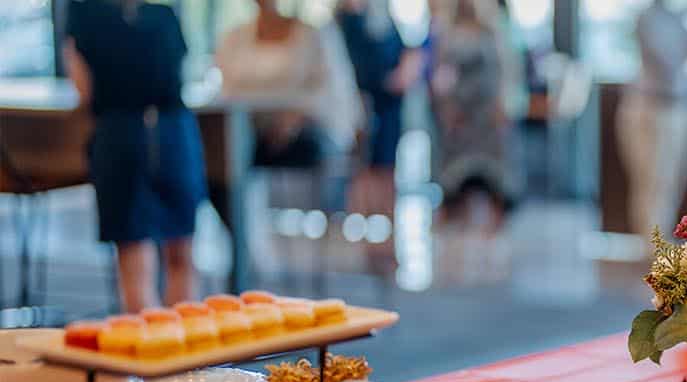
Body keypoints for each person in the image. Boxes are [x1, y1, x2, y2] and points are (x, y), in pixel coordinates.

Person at [64, 0, 206, 312]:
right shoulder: (165, 15)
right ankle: (186, 352)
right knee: (181, 255)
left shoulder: (83, 14)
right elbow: (182, 72)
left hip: (120, 134)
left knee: (135, 263)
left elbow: (83, 90)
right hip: (173, 131)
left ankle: (151, 353)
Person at [214, 0, 361, 203]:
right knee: (220, 157)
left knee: (245, 155)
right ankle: (240, 228)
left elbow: (331, 90)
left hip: (308, 127)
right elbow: (227, 91)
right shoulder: (234, 38)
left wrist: (294, 118)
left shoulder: (315, 35)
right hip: (250, 128)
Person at [430, 0, 523, 223]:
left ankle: (494, 238)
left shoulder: (494, 29)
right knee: (456, 183)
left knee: (494, 182)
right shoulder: (446, 31)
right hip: (460, 118)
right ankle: (454, 241)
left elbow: (507, 69)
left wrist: (504, 103)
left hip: (488, 116)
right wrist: (447, 107)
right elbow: (440, 72)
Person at [618, 0, 687, 236]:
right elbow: (666, 60)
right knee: (653, 181)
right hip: (653, 107)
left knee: (671, 181)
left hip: (677, 107)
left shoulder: (676, 18)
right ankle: (653, 242)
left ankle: (658, 239)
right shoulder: (647, 18)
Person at [339, 0, 424, 216]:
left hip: (390, 105)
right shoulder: (348, 21)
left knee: (387, 163)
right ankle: (367, 215)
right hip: (364, 102)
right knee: (364, 166)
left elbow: (405, 50)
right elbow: (353, 65)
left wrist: (404, 71)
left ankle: (386, 216)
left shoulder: (382, 18)